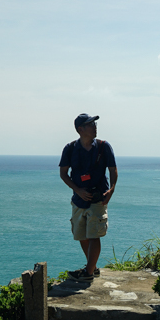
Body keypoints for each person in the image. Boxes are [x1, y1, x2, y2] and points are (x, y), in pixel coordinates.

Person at [59, 113, 117, 282]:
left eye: (94, 124)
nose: (95, 127)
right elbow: (63, 174)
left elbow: (113, 170)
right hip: (79, 199)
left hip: (99, 198)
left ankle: (88, 273)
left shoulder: (104, 147)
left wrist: (111, 190)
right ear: (80, 129)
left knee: (94, 235)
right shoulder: (70, 148)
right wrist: (78, 190)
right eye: (90, 124)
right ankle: (93, 267)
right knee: (82, 235)